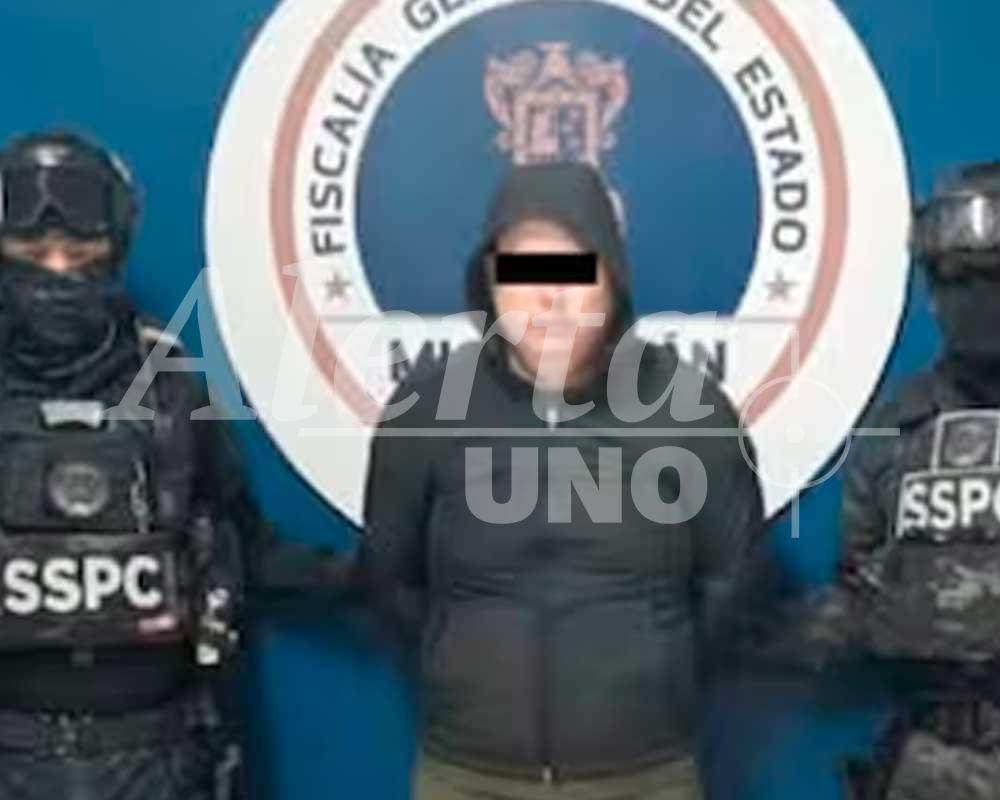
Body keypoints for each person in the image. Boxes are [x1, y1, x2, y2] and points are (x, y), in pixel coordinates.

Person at [359, 161, 765, 800]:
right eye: (524, 271)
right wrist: (463, 669)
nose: (550, 296)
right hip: (468, 775)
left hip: (645, 778)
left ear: (613, 278)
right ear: (490, 283)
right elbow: (391, 579)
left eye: (575, 267)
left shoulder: (692, 411)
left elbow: (729, 582)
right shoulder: (425, 408)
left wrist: (648, 682)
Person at [0, 129, 349, 800]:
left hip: (161, 760)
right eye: (33, 253)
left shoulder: (172, 386)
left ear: (114, 249)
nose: (58, 270)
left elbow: (244, 545)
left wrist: (371, 574)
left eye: (80, 251)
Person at [769, 162, 1000, 799]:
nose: (978, 296)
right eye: (957, 277)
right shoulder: (896, 425)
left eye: (995, 275)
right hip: (939, 761)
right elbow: (859, 587)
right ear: (931, 289)